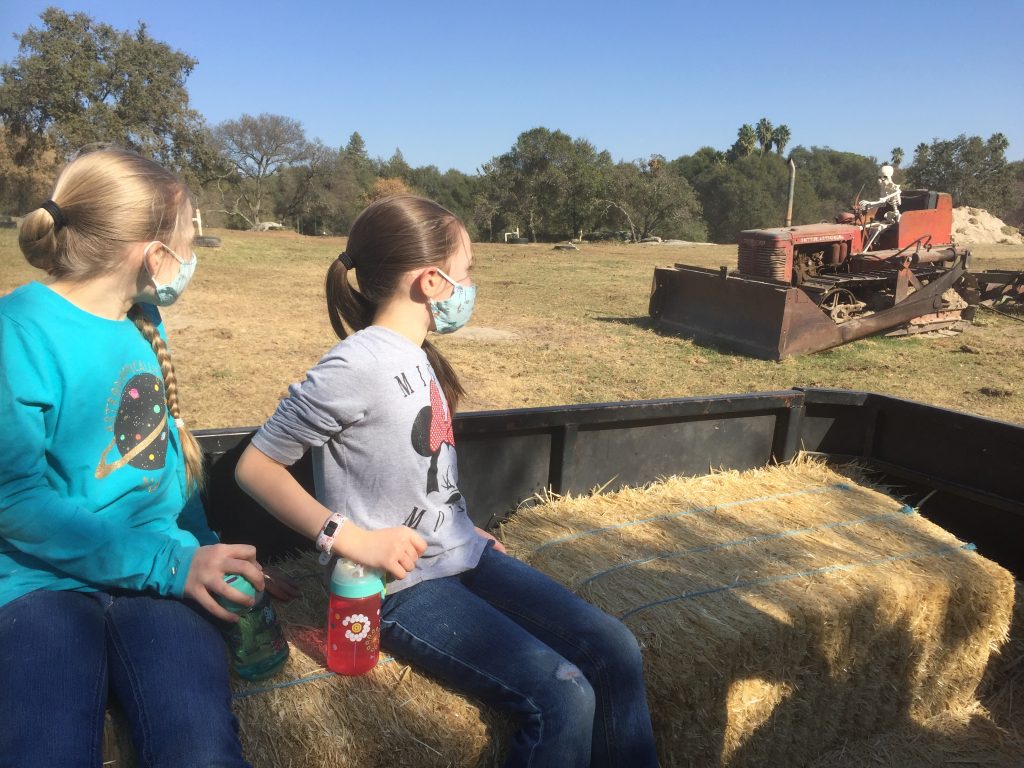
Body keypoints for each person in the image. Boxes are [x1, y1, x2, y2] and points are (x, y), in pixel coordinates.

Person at [235, 195, 660, 767]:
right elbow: (256, 466)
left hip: (460, 553)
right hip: (397, 587)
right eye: (466, 272)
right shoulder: (355, 364)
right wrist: (351, 539)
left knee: (616, 649)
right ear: (432, 281)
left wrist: (460, 527)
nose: (470, 286)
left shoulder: (416, 354)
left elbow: (421, 472)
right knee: (563, 696)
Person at [0, 147, 265, 767]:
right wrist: (173, 565)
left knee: (199, 746)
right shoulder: (17, 332)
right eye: (189, 237)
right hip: (42, 585)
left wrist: (211, 552)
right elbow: (15, 502)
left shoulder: (143, 320)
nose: (193, 254)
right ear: (154, 254)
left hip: (161, 575)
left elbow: (166, 465)